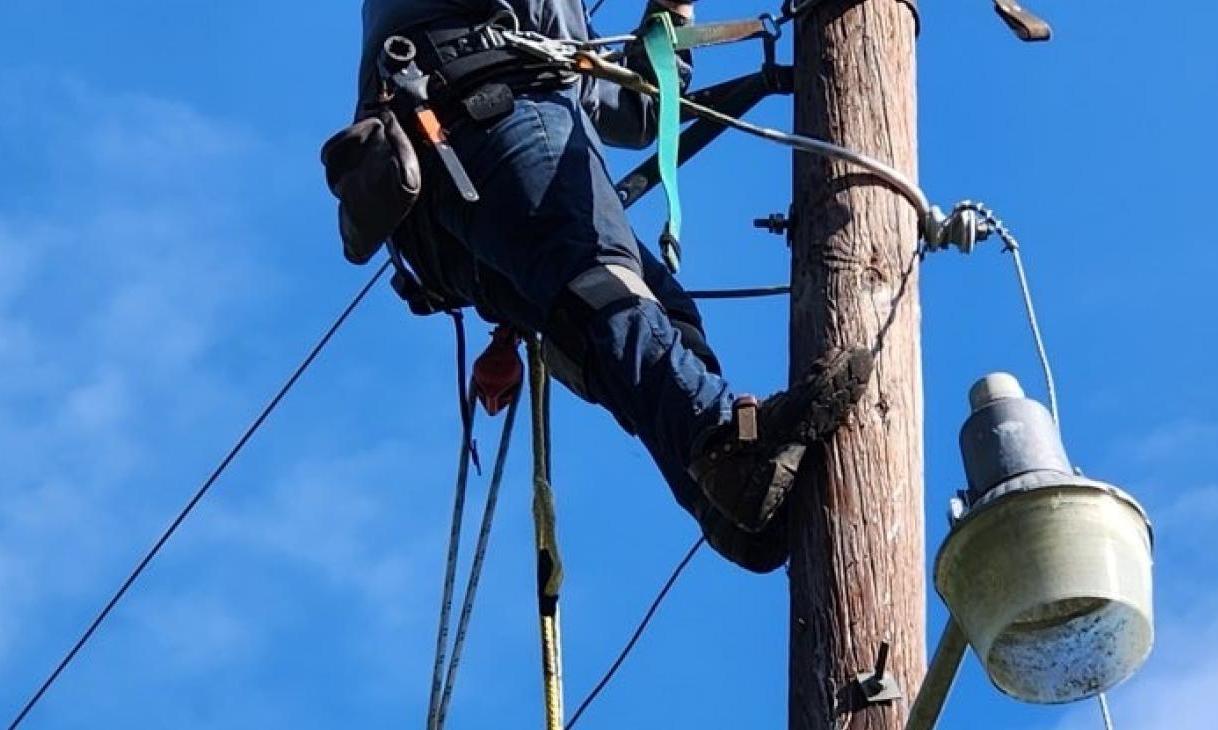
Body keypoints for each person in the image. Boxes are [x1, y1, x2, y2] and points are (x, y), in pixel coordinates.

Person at [322, 0, 870, 573]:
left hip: (428, 211)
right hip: (482, 112)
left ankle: (720, 496)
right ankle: (720, 441)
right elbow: (595, 77)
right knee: (603, 284)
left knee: (652, 308)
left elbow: (627, 108)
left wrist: (669, 18)